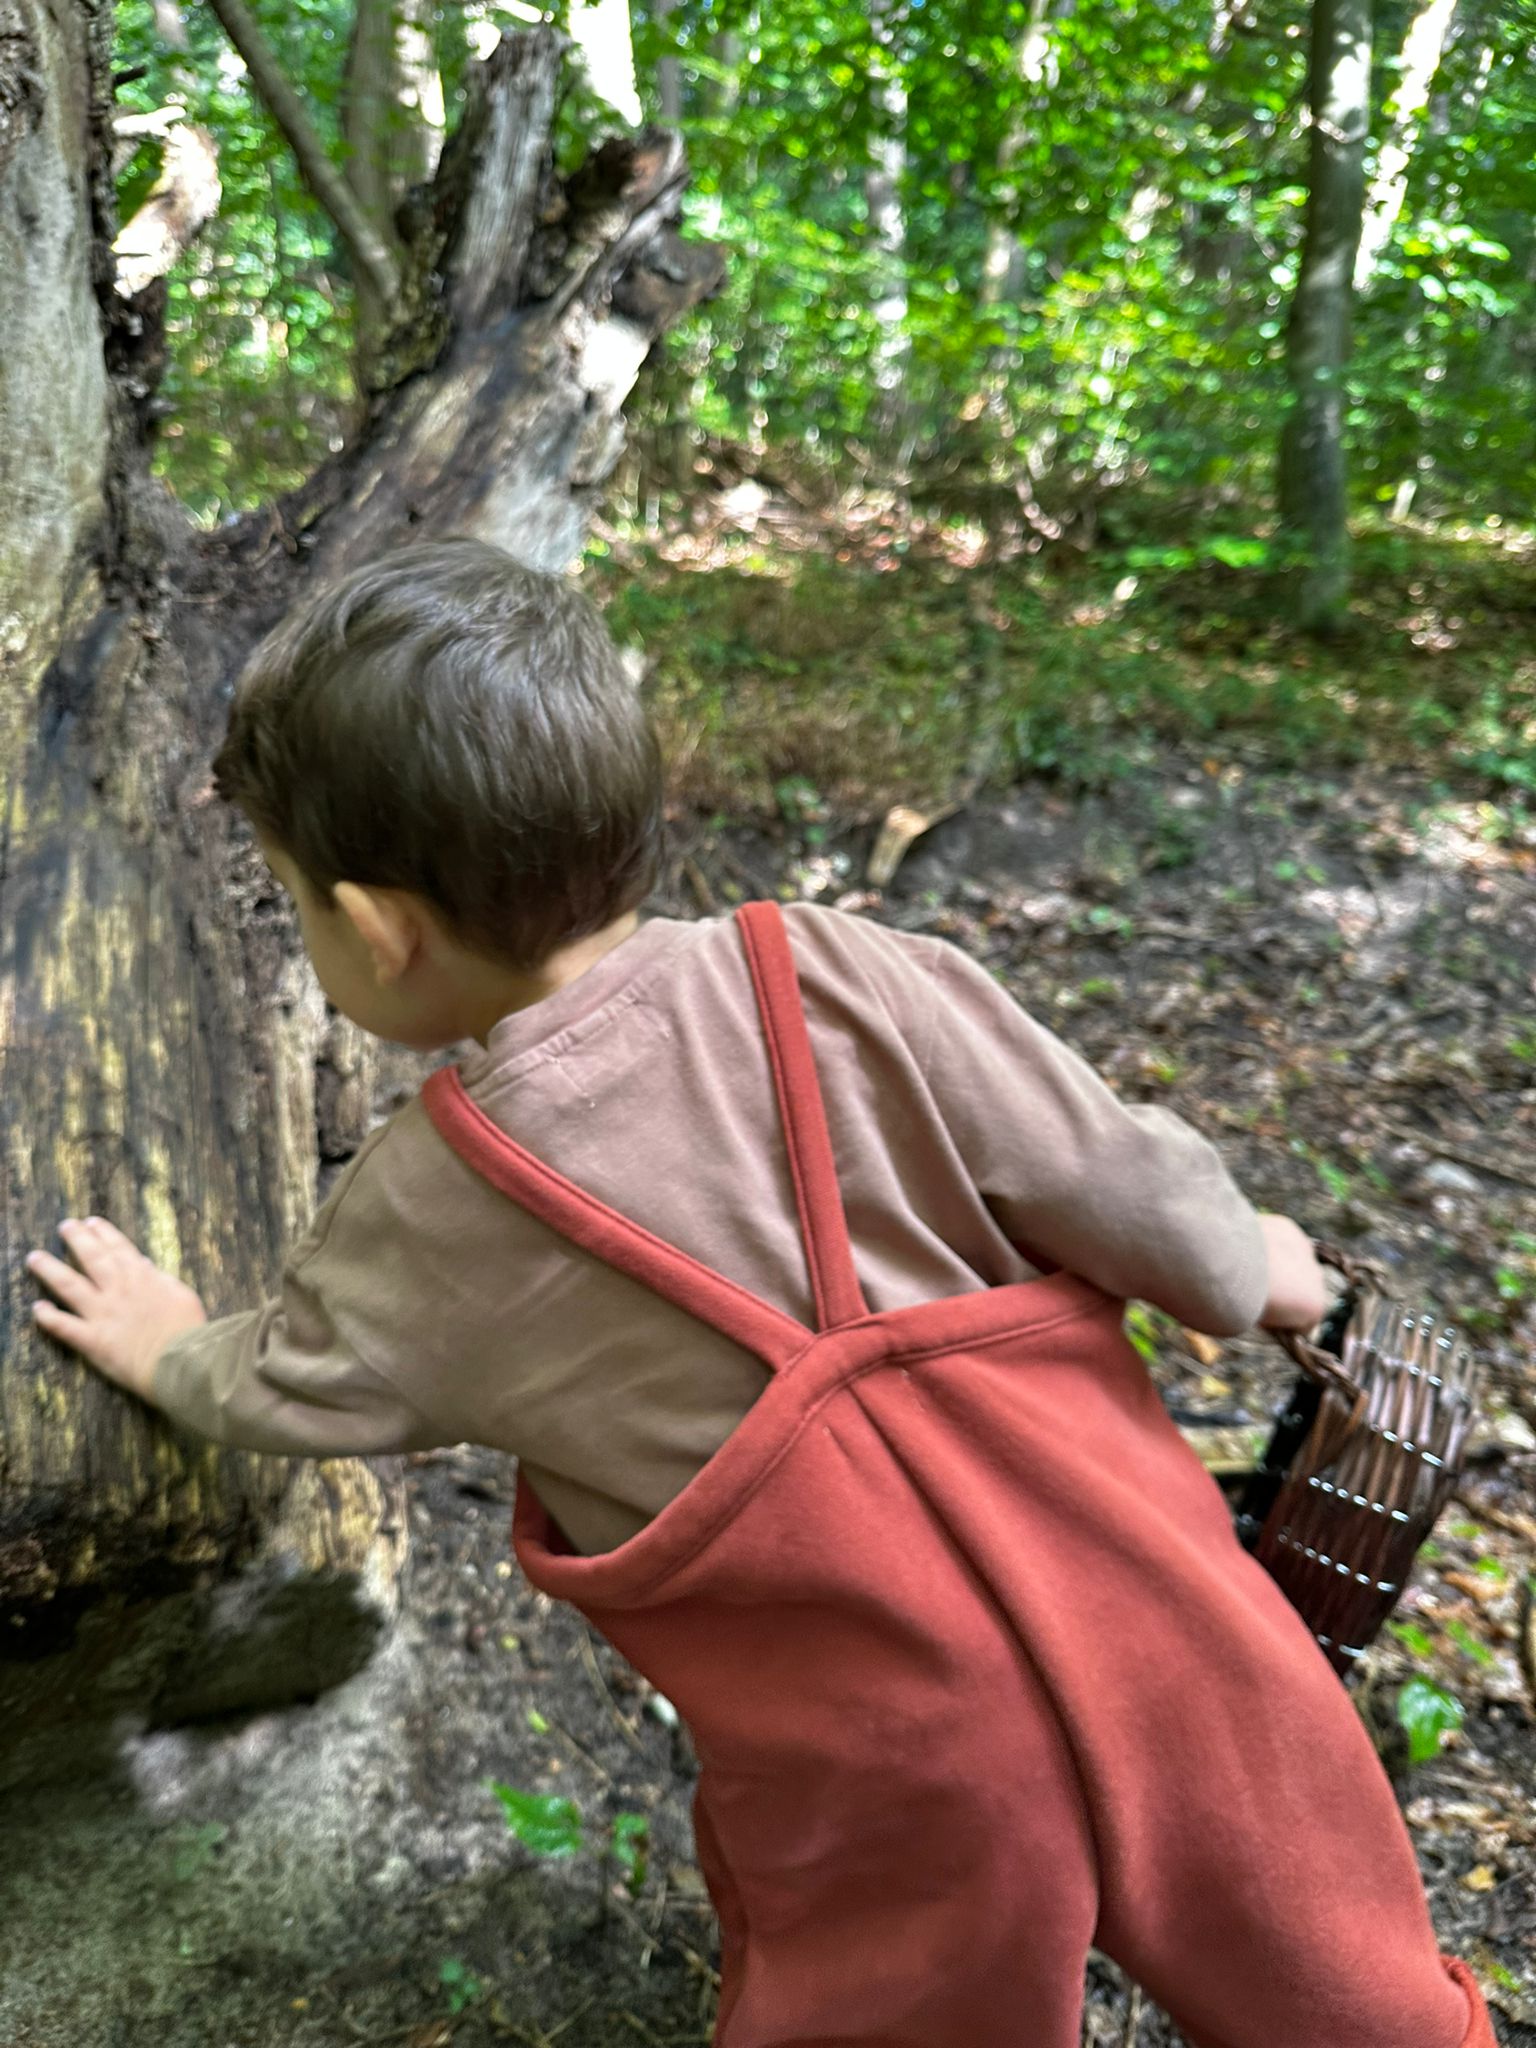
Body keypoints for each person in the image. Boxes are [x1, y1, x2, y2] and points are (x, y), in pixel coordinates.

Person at [27, 540, 1496, 2048]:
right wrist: (1256, 1266)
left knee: (886, 2006)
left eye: (301, 908)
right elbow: (1123, 1183)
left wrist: (167, 1350)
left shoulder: (434, 1200)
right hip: (1170, 1623)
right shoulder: (849, 973)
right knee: (1343, 1982)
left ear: (382, 926)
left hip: (887, 1765)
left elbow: (297, 1377)